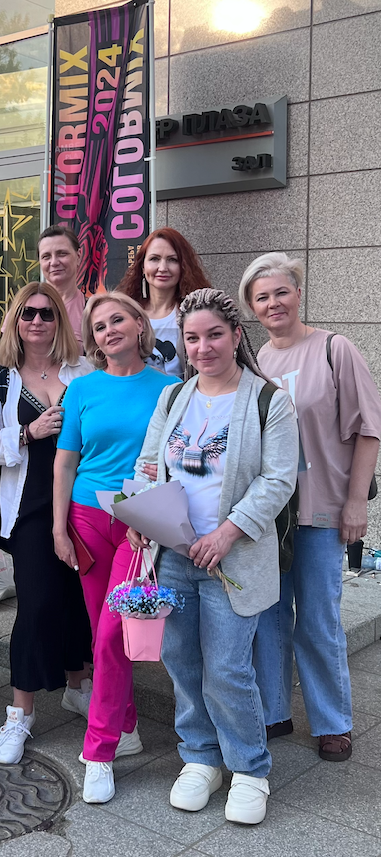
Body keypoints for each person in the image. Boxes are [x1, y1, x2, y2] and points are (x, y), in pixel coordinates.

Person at [130, 288, 299, 825]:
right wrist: (140, 513)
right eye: (192, 338)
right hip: (174, 555)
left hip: (232, 560)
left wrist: (227, 533)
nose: (203, 347)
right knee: (181, 661)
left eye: (214, 335)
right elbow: (149, 464)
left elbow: (278, 480)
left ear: (236, 336)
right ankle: (200, 758)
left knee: (227, 667)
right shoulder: (173, 397)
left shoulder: (269, 400)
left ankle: (248, 768)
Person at [240, 253, 381, 762]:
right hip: (271, 516)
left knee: (318, 620)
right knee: (271, 617)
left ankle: (332, 722)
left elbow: (369, 430)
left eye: (281, 291)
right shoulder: (258, 361)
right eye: (262, 297)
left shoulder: (333, 349)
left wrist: (355, 503)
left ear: (298, 293)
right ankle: (274, 711)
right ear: (251, 308)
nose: (273, 303)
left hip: (322, 509)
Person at [53, 291, 180, 803]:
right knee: (100, 629)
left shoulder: (171, 389)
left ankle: (99, 751)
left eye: (117, 320)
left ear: (139, 325)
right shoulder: (82, 389)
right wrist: (58, 528)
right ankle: (126, 726)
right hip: (86, 518)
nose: (108, 331)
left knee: (111, 634)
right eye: (99, 326)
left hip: (138, 524)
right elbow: (66, 462)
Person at [0, 282, 93, 764]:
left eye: (47, 313)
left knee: (79, 599)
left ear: (59, 321)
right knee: (37, 603)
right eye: (28, 313)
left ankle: (77, 685)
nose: (38, 321)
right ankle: (19, 712)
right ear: (15, 321)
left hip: (82, 501)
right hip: (28, 505)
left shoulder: (84, 371)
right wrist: (28, 432)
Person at [116, 228, 210, 377]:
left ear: (183, 266)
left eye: (172, 260)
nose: (163, 268)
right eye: (154, 259)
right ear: (142, 266)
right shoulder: (126, 313)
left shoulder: (196, 313)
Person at [37, 226, 87, 352]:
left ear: (78, 256)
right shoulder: (24, 310)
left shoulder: (92, 311)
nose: (54, 262)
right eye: (46, 256)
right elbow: (6, 357)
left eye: (62, 253)